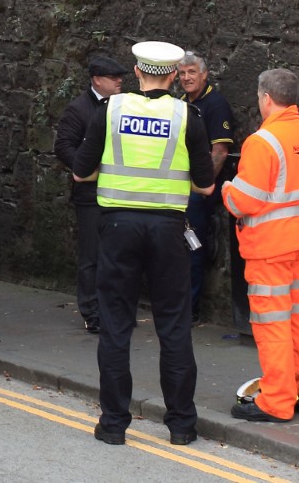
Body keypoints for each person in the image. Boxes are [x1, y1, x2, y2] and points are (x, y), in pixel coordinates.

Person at [73, 40, 215, 447]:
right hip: (169, 231)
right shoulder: (187, 114)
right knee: (174, 325)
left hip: (117, 227)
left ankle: (114, 424)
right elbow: (206, 185)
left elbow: (81, 172)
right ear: (173, 76)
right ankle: (182, 426)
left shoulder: (110, 109)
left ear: (137, 72)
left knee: (116, 326)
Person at [223, 68, 299, 423]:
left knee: (273, 323)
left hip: (270, 247)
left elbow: (244, 202)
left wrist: (226, 189)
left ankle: (278, 401)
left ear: (266, 99)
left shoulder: (262, 142)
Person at [53, 54, 130, 334]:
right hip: (91, 196)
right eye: (114, 77)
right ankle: (91, 311)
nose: (120, 80)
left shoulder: (124, 105)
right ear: (97, 80)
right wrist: (84, 170)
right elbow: (63, 146)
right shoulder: (79, 110)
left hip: (120, 192)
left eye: (121, 76)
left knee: (118, 254)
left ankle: (115, 308)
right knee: (92, 256)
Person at [178, 51, 236, 322]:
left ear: (204, 74)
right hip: (174, 188)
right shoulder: (178, 103)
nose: (187, 78)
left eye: (192, 72)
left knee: (193, 248)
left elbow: (220, 152)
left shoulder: (216, 104)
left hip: (196, 192)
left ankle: (190, 309)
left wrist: (200, 187)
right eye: (182, 73)